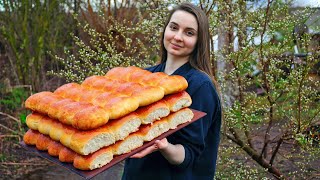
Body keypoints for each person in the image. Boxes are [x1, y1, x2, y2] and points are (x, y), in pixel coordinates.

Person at [122, 2, 221, 180]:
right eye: (173, 28)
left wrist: (163, 145)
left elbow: (189, 155)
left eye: (189, 32)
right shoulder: (144, 76)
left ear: (199, 40)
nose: (177, 37)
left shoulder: (200, 86)